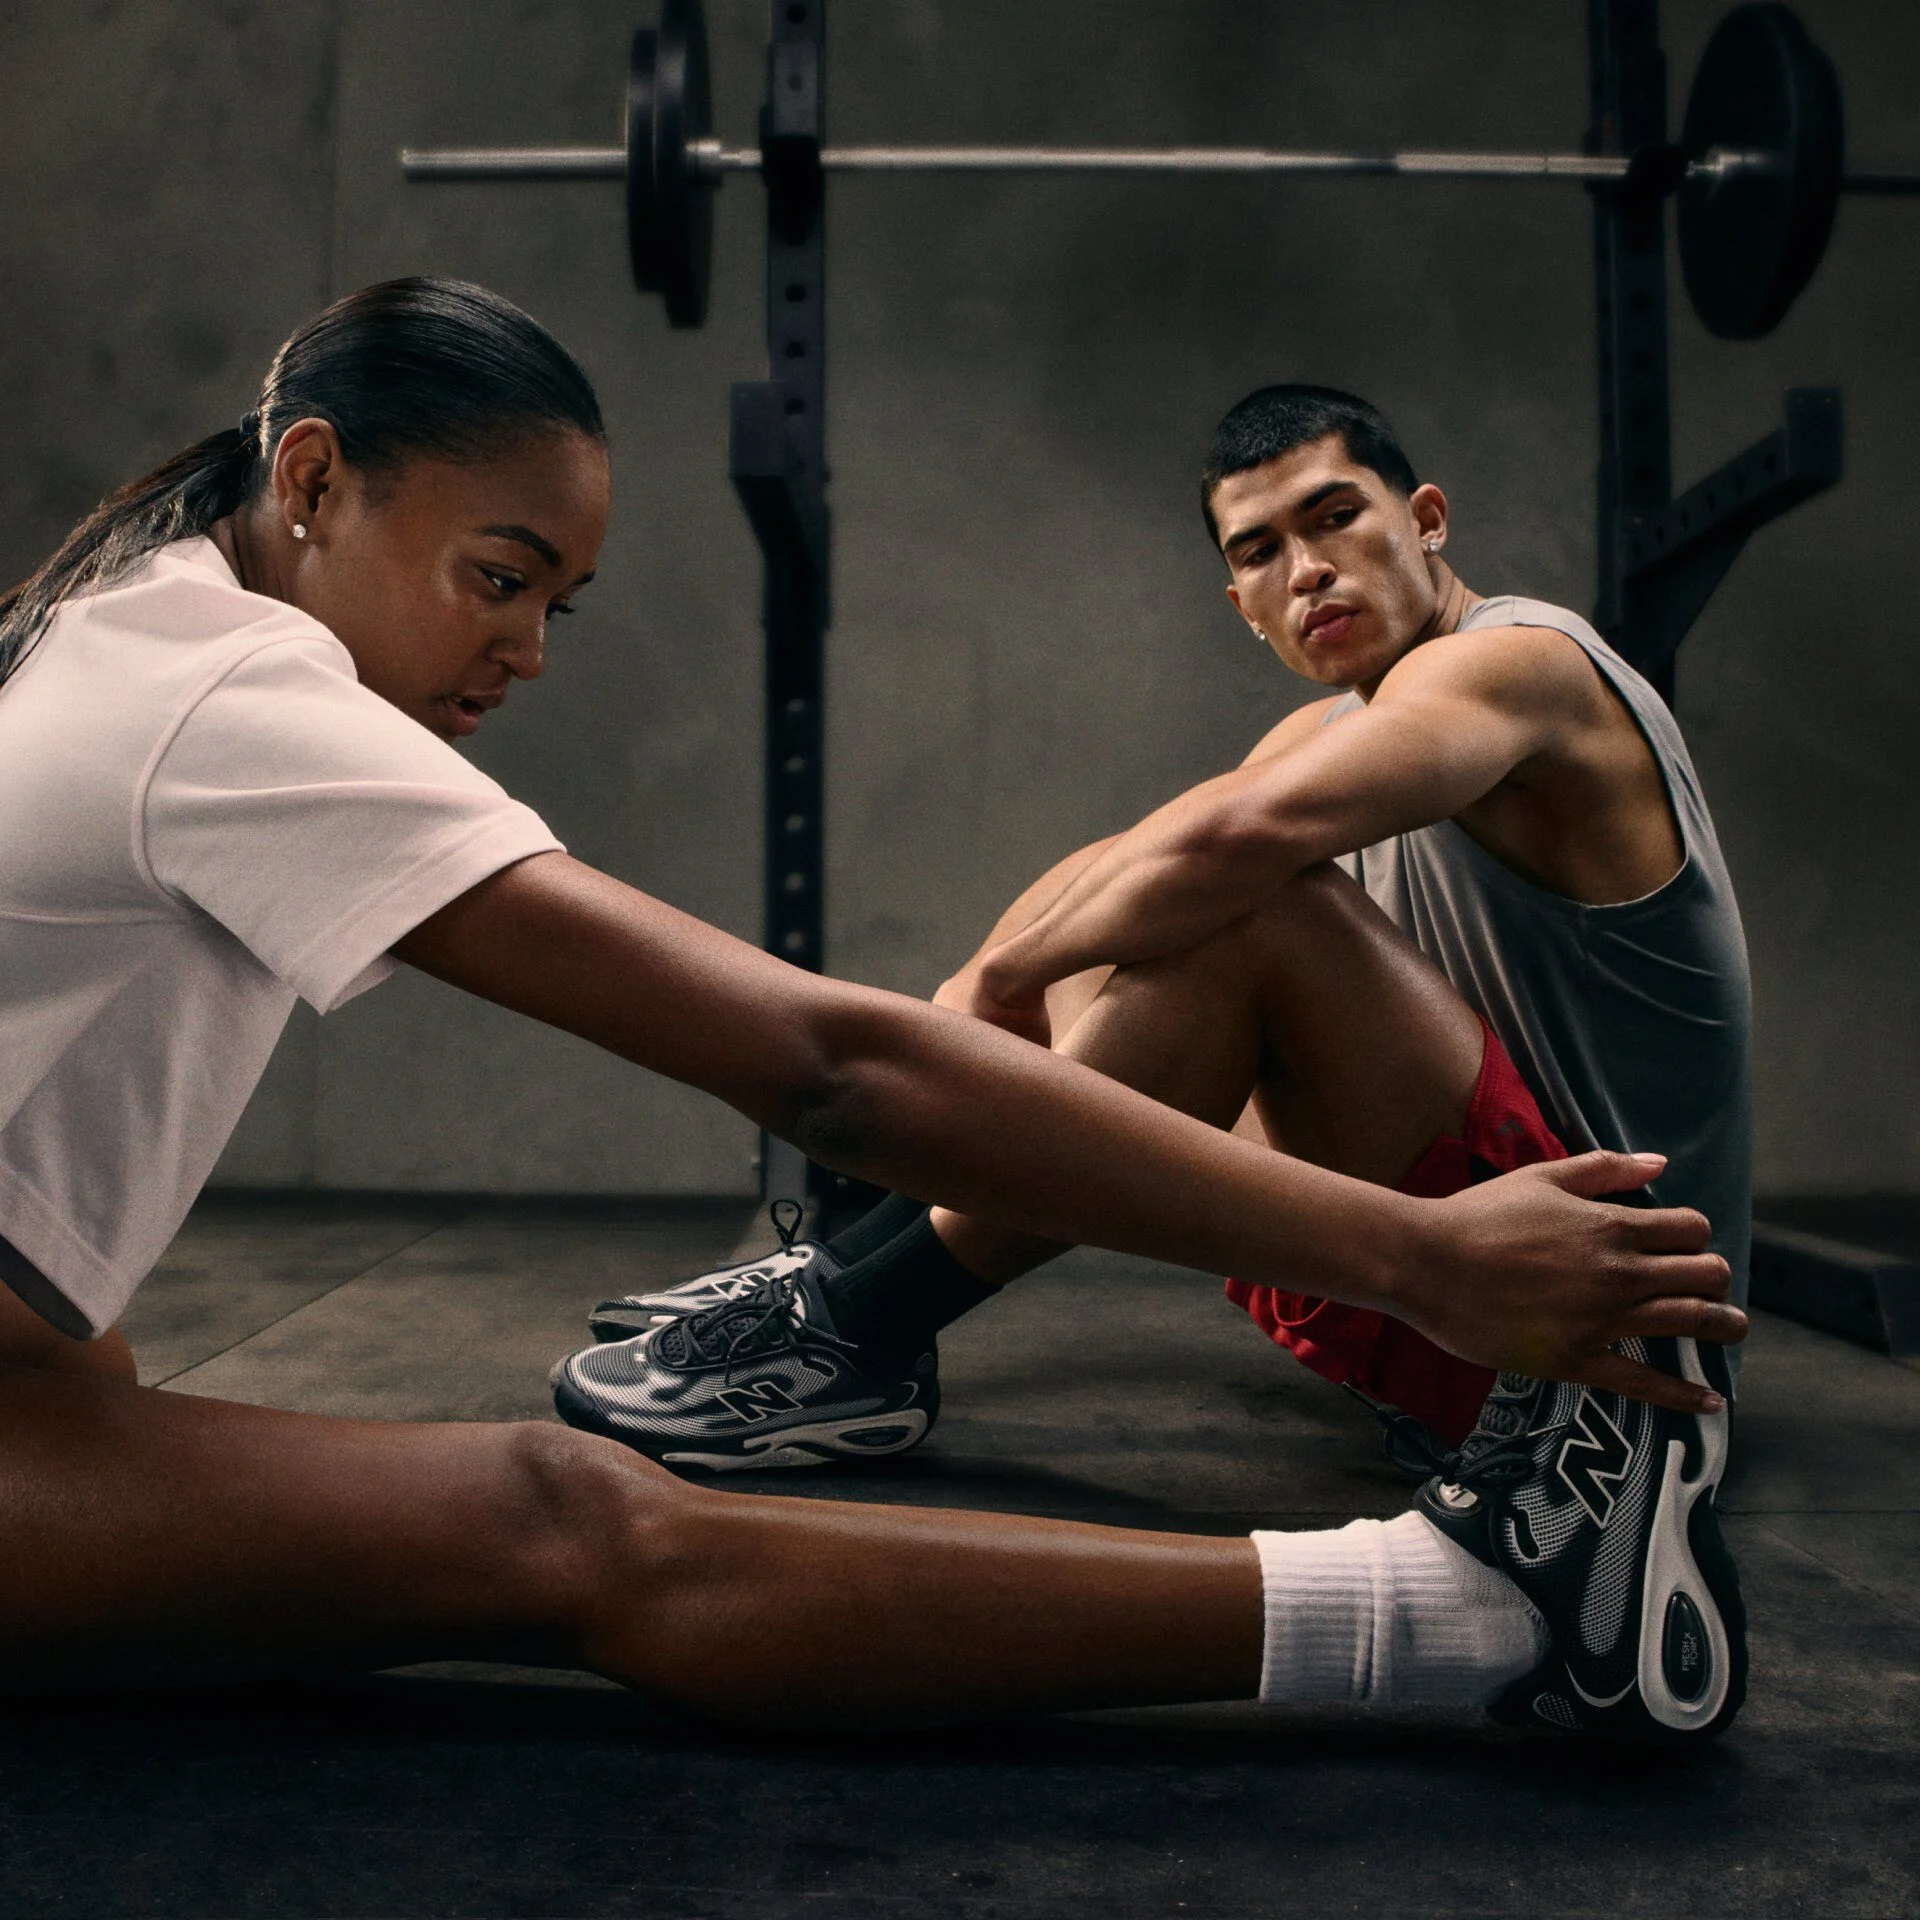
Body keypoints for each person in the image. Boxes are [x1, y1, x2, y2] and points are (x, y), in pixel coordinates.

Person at [0, 290, 1740, 1743]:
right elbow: (832, 1069)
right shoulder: (230, 690)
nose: (530, 649)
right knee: (569, 1523)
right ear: (314, 479)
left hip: (1626, 1271)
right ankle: (1472, 1619)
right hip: (1475, 1259)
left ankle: (858, 1326)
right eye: (500, 574)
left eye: (557, 603)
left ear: (1425, 518)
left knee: (163, 1439)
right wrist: (1417, 1252)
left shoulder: (142, 633)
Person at [562, 383, 1752, 1736]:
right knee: (1161, 902)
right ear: (1239, 600)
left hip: (1591, 1338)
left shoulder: (1521, 663)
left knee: (1257, 903)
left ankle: (858, 1323)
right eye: (1257, 551)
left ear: (1424, 520)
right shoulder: (1331, 733)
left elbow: (1227, 853)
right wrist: (983, 996)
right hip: (1437, 1291)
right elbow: (1129, 857)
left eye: (1335, 519)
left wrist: (1002, 993)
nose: (1305, 570)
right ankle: (859, 1279)